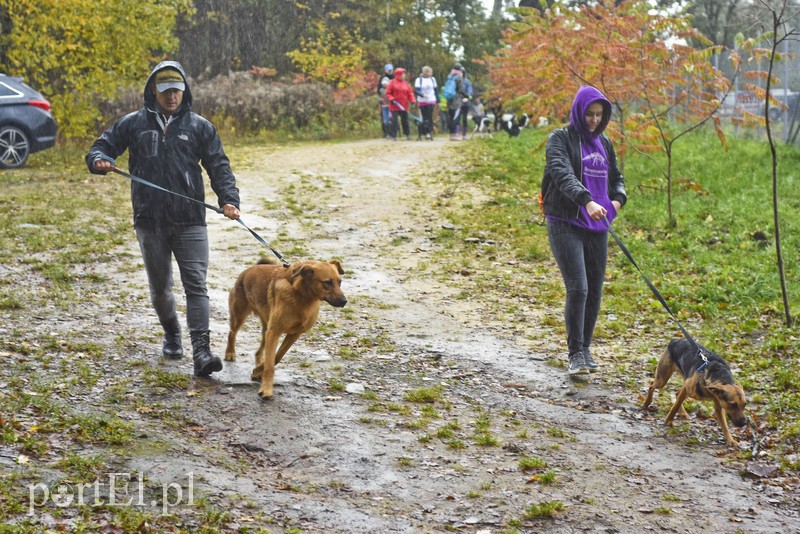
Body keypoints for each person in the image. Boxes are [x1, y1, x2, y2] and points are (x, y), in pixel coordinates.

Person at [86, 61, 241, 377]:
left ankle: (201, 350)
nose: (173, 97)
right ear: (153, 91)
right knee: (160, 288)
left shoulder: (200, 127)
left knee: (196, 285)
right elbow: (100, 148)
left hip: (190, 220)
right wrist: (100, 160)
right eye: (167, 90)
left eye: (178, 91)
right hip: (149, 219)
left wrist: (229, 200)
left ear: (185, 92)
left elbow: (219, 166)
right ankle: (172, 334)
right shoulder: (132, 124)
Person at [540, 85, 627, 377]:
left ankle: (586, 348)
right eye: (589, 114)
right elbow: (560, 172)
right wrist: (586, 200)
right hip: (566, 221)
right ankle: (575, 353)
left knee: (595, 290)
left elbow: (617, 178)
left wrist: (618, 200)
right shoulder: (559, 139)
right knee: (579, 287)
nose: (593, 120)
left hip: (598, 224)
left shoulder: (605, 143)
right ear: (579, 111)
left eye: (598, 115)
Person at [385, 67, 416, 141]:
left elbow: (410, 93)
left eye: (404, 74)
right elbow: (388, 93)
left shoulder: (406, 83)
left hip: (404, 105)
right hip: (394, 105)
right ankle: (394, 135)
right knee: (394, 121)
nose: (404, 75)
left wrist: (412, 101)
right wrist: (391, 99)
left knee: (405, 120)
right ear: (398, 74)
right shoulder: (392, 82)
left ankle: (407, 134)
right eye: (403, 74)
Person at [414, 66, 438, 140]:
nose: (431, 73)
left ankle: (429, 132)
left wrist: (438, 100)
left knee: (429, 116)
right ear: (425, 72)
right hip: (422, 101)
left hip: (431, 100)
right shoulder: (419, 80)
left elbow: (436, 90)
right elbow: (416, 90)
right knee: (424, 117)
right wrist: (422, 95)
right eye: (430, 72)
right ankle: (423, 132)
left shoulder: (432, 79)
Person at [444, 64, 466, 141]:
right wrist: (466, 95)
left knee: (450, 117)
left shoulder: (449, 77)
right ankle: (455, 135)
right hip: (457, 100)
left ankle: (451, 134)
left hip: (449, 100)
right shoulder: (459, 77)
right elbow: (461, 89)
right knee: (456, 118)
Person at [378, 64, 394, 139]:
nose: (390, 71)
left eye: (391, 70)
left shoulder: (394, 77)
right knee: (385, 119)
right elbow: (379, 91)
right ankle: (386, 133)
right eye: (388, 70)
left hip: (392, 103)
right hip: (384, 104)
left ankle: (392, 132)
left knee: (392, 118)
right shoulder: (382, 78)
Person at [458, 66, 473, 140]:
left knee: (464, 118)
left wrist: (467, 97)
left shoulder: (467, 81)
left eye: (462, 72)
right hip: (457, 102)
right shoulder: (456, 80)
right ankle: (456, 133)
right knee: (457, 118)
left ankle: (464, 134)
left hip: (465, 102)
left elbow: (469, 91)